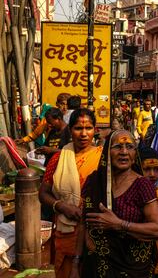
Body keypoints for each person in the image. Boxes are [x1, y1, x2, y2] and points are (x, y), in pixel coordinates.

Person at [77, 130, 158, 277]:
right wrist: (75, 263)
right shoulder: (94, 181)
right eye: (118, 146)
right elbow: (83, 225)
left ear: (134, 153)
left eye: (129, 147)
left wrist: (119, 224)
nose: (124, 152)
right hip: (95, 268)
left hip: (132, 268)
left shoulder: (142, 185)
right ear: (107, 151)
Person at [39, 108, 102, 278]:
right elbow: (43, 193)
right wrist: (62, 206)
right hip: (67, 229)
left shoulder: (103, 158)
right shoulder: (58, 158)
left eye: (88, 128)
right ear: (70, 130)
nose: (83, 134)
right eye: (78, 128)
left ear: (94, 130)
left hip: (96, 230)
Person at [139, 147, 158, 278]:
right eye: (147, 169)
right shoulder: (131, 192)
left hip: (156, 260)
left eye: (156, 169)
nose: (153, 174)